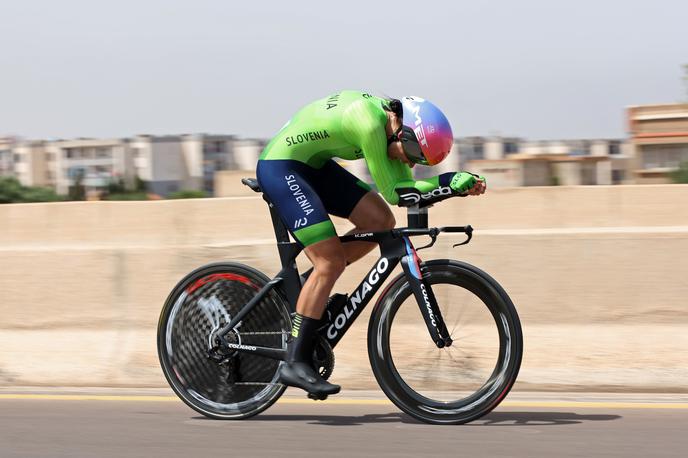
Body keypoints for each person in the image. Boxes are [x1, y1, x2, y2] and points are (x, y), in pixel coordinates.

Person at [256, 91, 486, 398]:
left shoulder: (393, 129)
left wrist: (451, 186)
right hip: (282, 167)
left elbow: (406, 193)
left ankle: (307, 289)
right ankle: (295, 361)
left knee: (380, 221)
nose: (409, 162)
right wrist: (448, 184)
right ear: (403, 131)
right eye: (414, 154)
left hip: (313, 165)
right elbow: (396, 192)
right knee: (330, 262)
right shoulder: (367, 122)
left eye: (419, 160)